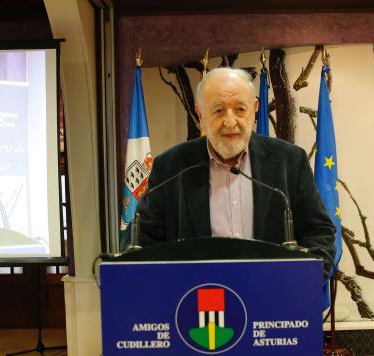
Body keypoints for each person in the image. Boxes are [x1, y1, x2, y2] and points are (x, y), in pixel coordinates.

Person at [124, 67, 336, 270]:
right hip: (196, 299)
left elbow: (319, 233)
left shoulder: (289, 161)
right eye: (218, 110)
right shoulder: (171, 167)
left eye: (240, 109)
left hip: (272, 297)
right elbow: (142, 241)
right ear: (200, 114)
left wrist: (302, 283)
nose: (230, 121)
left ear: (254, 110)